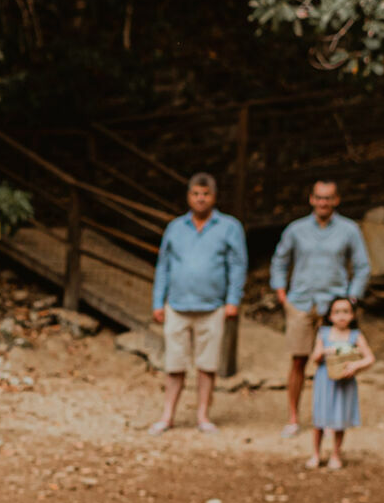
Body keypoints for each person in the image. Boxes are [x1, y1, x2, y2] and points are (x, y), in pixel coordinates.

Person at [149, 172, 247, 434]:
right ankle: (168, 414)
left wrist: (233, 300)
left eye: (205, 194)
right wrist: (158, 301)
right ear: (188, 197)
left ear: (214, 197)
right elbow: (164, 266)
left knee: (207, 364)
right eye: (195, 194)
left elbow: (238, 266)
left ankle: (203, 415)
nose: (200, 198)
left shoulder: (229, 227)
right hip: (177, 306)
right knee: (174, 364)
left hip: (212, 307)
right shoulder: (175, 228)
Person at [271, 179, 371, 437]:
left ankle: (331, 418)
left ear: (336, 200)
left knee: (333, 362)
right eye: (319, 197)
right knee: (298, 360)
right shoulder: (296, 230)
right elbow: (280, 261)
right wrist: (282, 294)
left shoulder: (349, 230)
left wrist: (351, 299)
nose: (323, 202)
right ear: (311, 199)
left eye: (328, 198)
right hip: (301, 303)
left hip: (334, 308)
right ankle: (293, 418)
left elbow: (362, 266)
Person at [305, 295, 372, 469]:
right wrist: (327, 352)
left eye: (346, 312)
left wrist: (356, 366)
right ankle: (316, 454)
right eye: (337, 312)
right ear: (330, 315)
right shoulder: (324, 333)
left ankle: (336, 454)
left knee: (340, 418)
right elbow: (315, 357)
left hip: (345, 383)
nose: (341, 316)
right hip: (324, 381)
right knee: (319, 419)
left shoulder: (356, 335)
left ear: (353, 315)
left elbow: (369, 358)